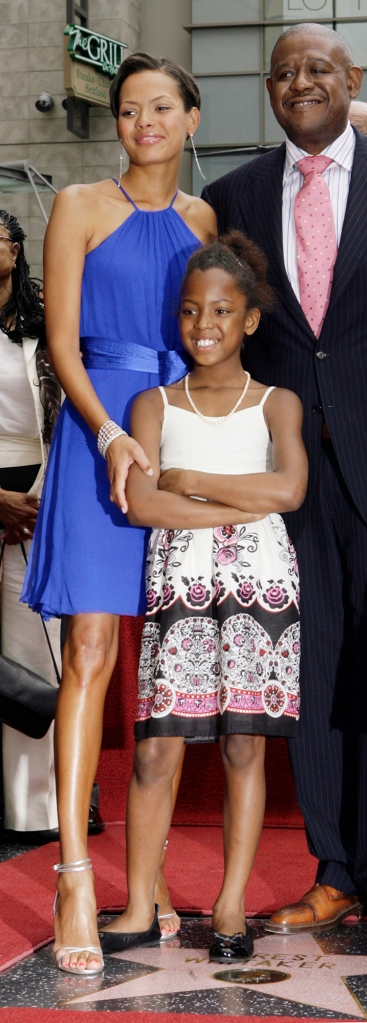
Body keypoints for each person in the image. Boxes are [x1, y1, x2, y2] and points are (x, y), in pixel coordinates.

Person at [202, 22, 367, 942]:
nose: (300, 82)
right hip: (284, 473)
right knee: (305, 670)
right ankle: (334, 868)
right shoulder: (228, 195)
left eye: (318, 68)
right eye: (284, 72)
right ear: (268, 92)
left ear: (352, 79)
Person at [21, 53, 217, 976]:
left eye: (161, 107)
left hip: (175, 445)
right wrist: (106, 435)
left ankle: (148, 874)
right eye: (130, 108)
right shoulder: (78, 206)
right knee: (94, 651)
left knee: (168, 663)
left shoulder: (202, 221)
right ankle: (71, 874)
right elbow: (61, 344)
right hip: (102, 445)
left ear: (190, 119)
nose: (144, 121)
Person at [100, 233, 307, 961]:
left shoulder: (277, 402)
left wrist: (190, 478)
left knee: (244, 746)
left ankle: (228, 904)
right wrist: (233, 502)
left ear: (250, 318)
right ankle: (136, 903)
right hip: (178, 583)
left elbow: (290, 489)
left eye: (221, 309)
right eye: (190, 311)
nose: (204, 325)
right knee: (157, 748)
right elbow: (144, 506)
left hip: (261, 586)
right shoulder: (150, 402)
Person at [0, 210, 61, 835]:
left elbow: (66, 414)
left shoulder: (45, 324)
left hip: (37, 502)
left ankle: (33, 809)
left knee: (30, 659)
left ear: (16, 251)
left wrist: (32, 500)